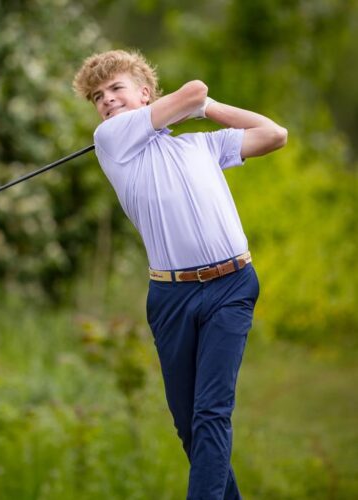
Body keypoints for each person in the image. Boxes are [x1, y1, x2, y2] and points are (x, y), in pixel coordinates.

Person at [72, 49, 287, 499]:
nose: (107, 100)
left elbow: (273, 134)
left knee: (211, 414)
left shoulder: (201, 145)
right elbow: (192, 91)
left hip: (232, 286)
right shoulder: (111, 139)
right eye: (97, 95)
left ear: (145, 93)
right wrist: (189, 104)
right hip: (172, 299)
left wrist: (204, 111)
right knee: (190, 426)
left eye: (116, 88)